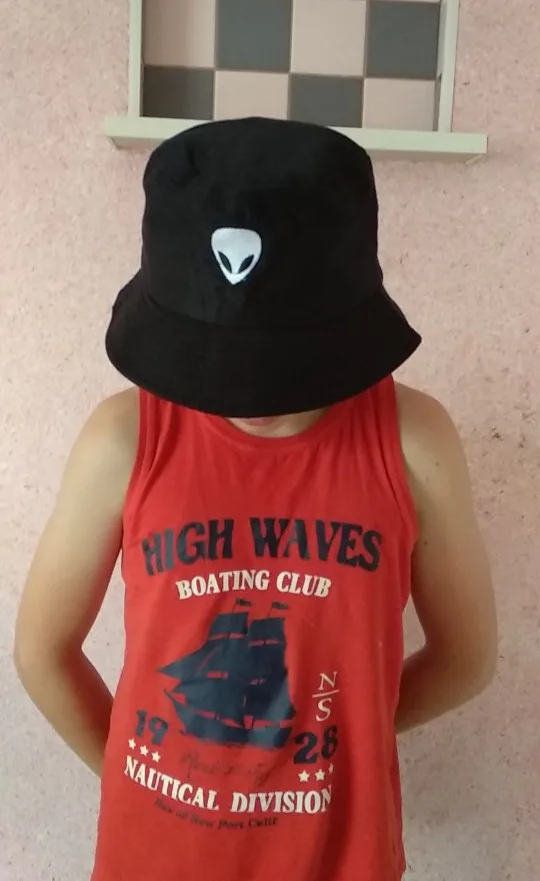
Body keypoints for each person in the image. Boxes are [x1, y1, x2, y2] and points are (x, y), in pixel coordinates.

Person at [14, 118, 497, 881]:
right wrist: (131, 781)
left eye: (283, 363)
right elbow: (42, 651)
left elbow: (467, 659)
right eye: (214, 363)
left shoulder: (412, 441)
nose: (249, 398)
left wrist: (348, 735)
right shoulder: (123, 439)